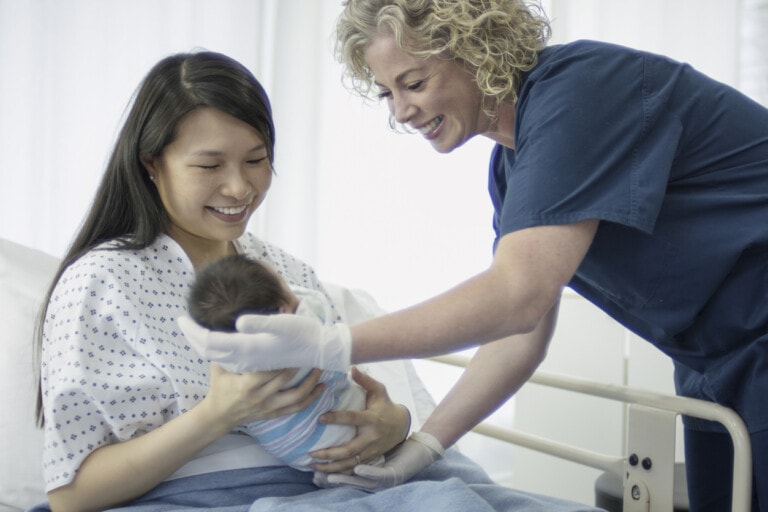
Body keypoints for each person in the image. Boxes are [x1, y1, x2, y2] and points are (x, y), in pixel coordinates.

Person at [179, 1, 768, 510]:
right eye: (387, 93)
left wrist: (333, 345)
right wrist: (427, 446)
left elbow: (517, 297)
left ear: (478, 47)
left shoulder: (584, 91)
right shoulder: (513, 170)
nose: (400, 112)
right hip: (715, 366)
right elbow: (524, 329)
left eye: (413, 83)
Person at [33, 49, 601, 512]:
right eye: (209, 166)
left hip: (346, 477)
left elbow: (353, 390)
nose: (239, 188)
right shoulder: (102, 282)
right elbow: (71, 495)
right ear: (151, 162)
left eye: (256, 160)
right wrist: (218, 413)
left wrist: (391, 424)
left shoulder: (285, 271)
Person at [185, 254, 378, 471]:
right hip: (336, 434)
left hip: (292, 451)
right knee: (354, 397)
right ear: (282, 310)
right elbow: (320, 312)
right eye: (282, 280)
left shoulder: (228, 354)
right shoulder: (305, 329)